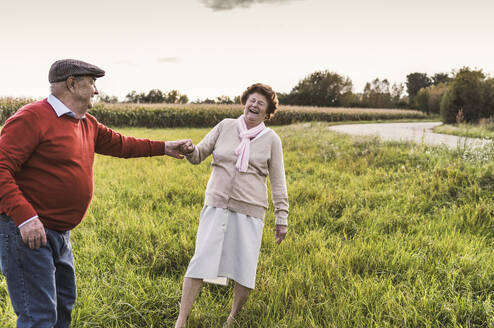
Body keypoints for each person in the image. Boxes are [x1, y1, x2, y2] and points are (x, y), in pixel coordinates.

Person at [0, 59, 191, 328]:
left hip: (59, 234)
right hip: (28, 233)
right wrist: (25, 218)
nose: (96, 91)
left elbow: (122, 144)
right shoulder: (32, 118)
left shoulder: (86, 122)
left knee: (63, 307)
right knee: (38, 316)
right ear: (72, 84)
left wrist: (165, 147)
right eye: (92, 82)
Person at [175, 83, 289, 328]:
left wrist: (282, 216)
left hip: (250, 211)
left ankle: (232, 318)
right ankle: (181, 320)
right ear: (245, 103)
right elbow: (198, 155)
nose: (255, 104)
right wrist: (188, 149)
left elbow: (278, 180)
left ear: (267, 111)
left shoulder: (271, 140)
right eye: (252, 100)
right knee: (200, 260)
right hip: (216, 205)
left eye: (261, 102)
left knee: (244, 268)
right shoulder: (225, 126)